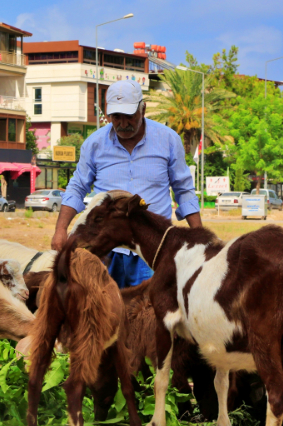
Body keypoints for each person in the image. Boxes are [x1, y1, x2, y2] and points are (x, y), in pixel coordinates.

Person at [52, 79, 202, 288]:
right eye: (116, 117)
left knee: (149, 314)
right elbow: (77, 187)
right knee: (103, 312)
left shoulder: (168, 140)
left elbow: (184, 190)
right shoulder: (94, 144)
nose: (123, 124)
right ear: (108, 113)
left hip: (152, 250)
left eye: (129, 116)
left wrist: (199, 237)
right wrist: (61, 229)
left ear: (143, 109)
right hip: (104, 250)